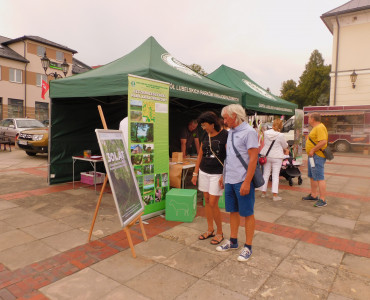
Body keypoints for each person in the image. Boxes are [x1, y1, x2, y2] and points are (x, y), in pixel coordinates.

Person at [216, 104, 258, 262]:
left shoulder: (249, 132)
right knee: (232, 211)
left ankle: (248, 246)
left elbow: (253, 159)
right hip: (230, 179)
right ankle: (233, 241)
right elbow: (229, 156)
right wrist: (223, 175)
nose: (224, 120)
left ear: (235, 116)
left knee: (247, 213)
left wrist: (247, 182)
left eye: (226, 117)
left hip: (242, 180)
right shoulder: (231, 132)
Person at [191, 111, 228, 245]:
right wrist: (195, 173)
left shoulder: (225, 135)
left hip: (217, 173)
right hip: (204, 171)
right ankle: (210, 229)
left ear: (213, 124)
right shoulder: (204, 135)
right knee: (206, 200)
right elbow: (200, 154)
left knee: (213, 203)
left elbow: (228, 157)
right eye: (202, 126)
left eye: (205, 125)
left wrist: (224, 175)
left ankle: (220, 232)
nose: (204, 128)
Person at [302, 113, 328, 207]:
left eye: (309, 118)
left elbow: (323, 141)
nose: (308, 119)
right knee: (312, 176)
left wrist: (313, 149)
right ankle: (313, 195)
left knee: (319, 177)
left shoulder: (319, 127)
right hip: (313, 156)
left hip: (317, 156)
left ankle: (322, 199)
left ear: (313, 119)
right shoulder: (316, 128)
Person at [259, 119, 289, 201]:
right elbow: (284, 145)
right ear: (281, 126)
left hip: (267, 155)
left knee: (265, 174)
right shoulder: (281, 135)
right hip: (277, 156)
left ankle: (263, 192)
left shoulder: (266, 133)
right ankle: (275, 195)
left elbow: (265, 143)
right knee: (275, 175)